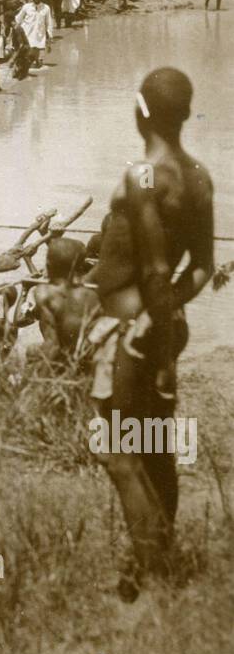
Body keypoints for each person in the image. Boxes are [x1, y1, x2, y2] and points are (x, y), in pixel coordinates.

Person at [89, 69, 214, 595]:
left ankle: (148, 575)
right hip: (162, 324)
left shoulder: (143, 175)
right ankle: (161, 559)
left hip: (131, 331)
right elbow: (202, 268)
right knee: (155, 446)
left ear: (141, 110)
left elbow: (158, 269)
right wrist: (166, 328)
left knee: (118, 452)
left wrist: (148, 332)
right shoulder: (200, 175)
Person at [14, 0, 53, 70]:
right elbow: (18, 19)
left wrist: (50, 37)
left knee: (39, 64)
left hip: (39, 35)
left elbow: (49, 23)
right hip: (27, 35)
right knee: (25, 59)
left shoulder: (46, 8)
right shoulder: (26, 7)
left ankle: (37, 61)